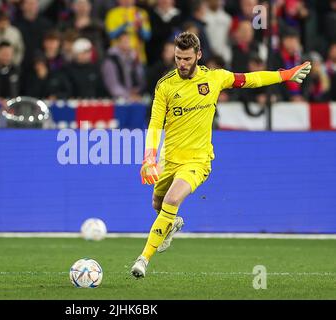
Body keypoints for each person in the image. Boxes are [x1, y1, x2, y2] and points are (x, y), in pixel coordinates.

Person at [130, 31, 312, 278]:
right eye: (177, 58)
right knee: (158, 205)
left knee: (172, 200)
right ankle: (170, 224)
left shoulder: (215, 79)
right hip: (169, 158)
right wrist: (149, 157)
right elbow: (154, 124)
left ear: (198, 55)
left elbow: (251, 79)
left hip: (198, 160)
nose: (181, 64)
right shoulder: (165, 85)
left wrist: (285, 75)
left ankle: (143, 259)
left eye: (186, 58)